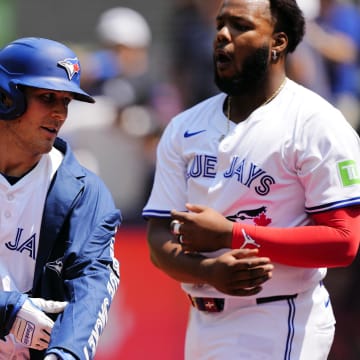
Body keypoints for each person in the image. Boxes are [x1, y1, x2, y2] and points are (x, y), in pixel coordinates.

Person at [142, 0, 360, 359]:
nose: (223, 36)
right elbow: (158, 237)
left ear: (278, 42)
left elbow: (344, 241)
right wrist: (209, 270)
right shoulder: (185, 127)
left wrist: (232, 235)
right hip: (202, 323)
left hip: (279, 318)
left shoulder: (316, 123)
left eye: (241, 26)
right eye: (220, 25)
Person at [0, 37, 121, 359]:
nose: (59, 114)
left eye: (66, 101)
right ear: (6, 97)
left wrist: (66, 353)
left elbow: (92, 283)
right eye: (47, 97)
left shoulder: (83, 192)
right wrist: (6, 307)